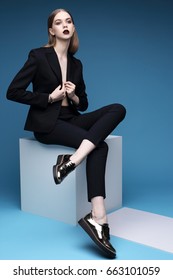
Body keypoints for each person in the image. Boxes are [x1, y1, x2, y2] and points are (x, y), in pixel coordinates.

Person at [6, 8, 126, 259]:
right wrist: (49, 97)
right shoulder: (39, 56)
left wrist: (72, 96)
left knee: (118, 109)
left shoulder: (76, 64)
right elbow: (13, 91)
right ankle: (98, 218)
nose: (64, 25)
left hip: (71, 119)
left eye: (68, 21)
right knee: (100, 146)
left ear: (73, 28)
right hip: (48, 124)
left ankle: (72, 161)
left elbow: (83, 104)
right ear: (51, 30)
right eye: (58, 22)